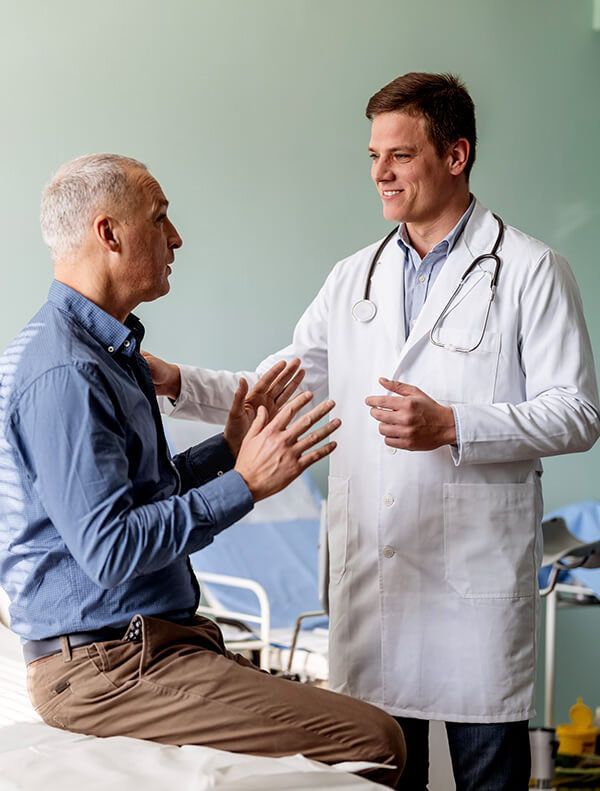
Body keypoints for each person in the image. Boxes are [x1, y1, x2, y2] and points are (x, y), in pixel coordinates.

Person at [146, 73, 600, 790]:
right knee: (376, 773)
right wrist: (179, 383)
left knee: (488, 775)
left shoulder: (532, 271)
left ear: (456, 155)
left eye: (400, 155)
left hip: (471, 586)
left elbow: (576, 412)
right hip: (377, 584)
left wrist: (453, 424)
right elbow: (275, 385)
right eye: (372, 156)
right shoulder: (353, 278)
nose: (379, 174)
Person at [0, 153, 406, 789]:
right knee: (377, 739)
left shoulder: (112, 353)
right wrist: (245, 485)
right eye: (161, 219)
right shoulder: (66, 373)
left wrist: (229, 448)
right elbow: (109, 552)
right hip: (107, 668)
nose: (177, 237)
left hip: (152, 646)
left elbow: (139, 498)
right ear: (110, 234)